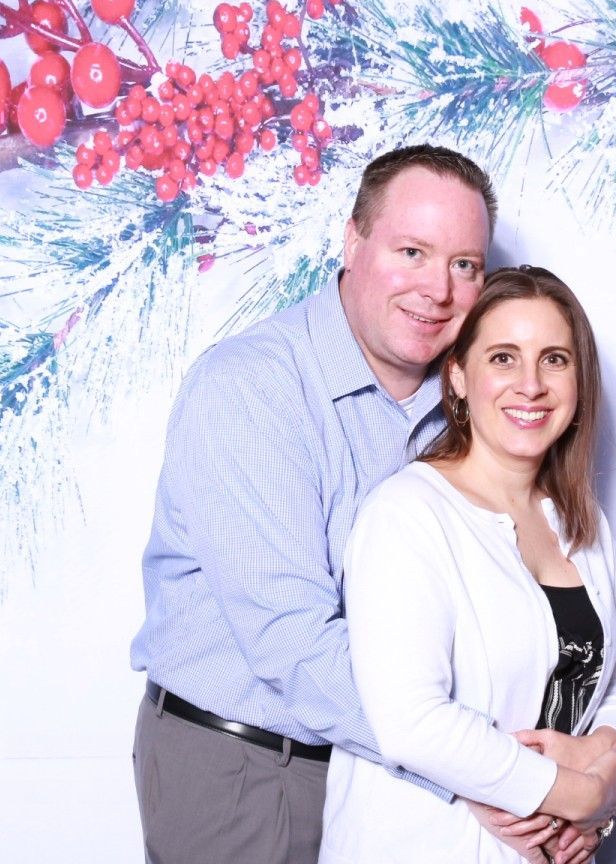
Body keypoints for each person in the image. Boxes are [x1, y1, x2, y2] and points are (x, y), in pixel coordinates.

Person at [129, 144, 499, 864]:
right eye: (413, 251)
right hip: (246, 766)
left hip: (386, 769)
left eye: (465, 265)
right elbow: (293, 644)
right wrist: (485, 766)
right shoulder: (251, 389)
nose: (438, 289)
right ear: (352, 239)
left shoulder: (464, 404)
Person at [320, 266, 616, 863]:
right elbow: (412, 720)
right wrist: (569, 793)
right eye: (503, 358)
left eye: (555, 359)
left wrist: (603, 759)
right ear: (457, 377)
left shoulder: (578, 521)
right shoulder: (407, 515)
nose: (530, 385)